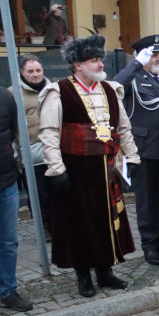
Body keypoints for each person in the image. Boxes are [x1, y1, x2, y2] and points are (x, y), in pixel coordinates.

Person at [38, 35, 140, 297]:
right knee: (80, 223)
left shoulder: (110, 89)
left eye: (100, 59)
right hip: (75, 170)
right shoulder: (59, 91)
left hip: (106, 168)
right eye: (94, 60)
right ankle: (83, 275)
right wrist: (57, 169)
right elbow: (49, 133)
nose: (100, 64)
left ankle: (105, 271)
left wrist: (132, 156)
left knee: (106, 219)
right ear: (78, 65)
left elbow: (123, 127)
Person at [114, 34, 159, 267]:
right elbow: (114, 86)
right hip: (144, 149)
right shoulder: (133, 78)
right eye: (153, 55)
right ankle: (150, 245)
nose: (158, 58)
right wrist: (135, 64)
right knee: (146, 202)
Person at [10, 55, 51, 235]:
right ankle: (44, 230)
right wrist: (17, 156)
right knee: (38, 196)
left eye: (38, 70)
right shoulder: (13, 94)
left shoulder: (54, 89)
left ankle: (59, 228)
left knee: (58, 193)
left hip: (56, 151)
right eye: (30, 71)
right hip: (32, 155)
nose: (36, 74)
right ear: (21, 72)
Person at [0, 86, 32, 311]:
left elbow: (11, 134)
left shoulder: (4, 96)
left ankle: (7, 290)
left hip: (6, 180)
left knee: (9, 241)